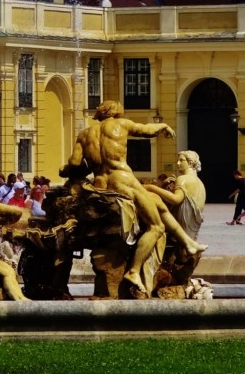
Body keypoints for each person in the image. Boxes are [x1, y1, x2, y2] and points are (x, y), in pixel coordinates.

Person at [63, 100, 206, 295]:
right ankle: (133, 271)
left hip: (100, 185)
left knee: (156, 202)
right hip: (123, 182)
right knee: (156, 226)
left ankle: (188, 243)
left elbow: (74, 163)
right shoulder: (121, 124)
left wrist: (65, 171)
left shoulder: (84, 134)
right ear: (117, 112)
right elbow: (146, 130)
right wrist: (163, 126)